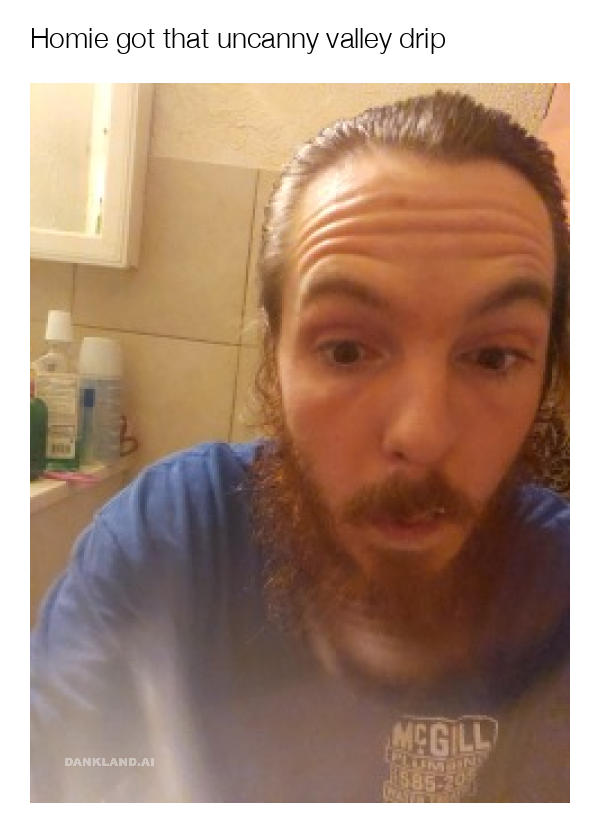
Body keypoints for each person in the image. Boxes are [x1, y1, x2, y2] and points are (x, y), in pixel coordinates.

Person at [30, 90, 570, 803]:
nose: (422, 435)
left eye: (494, 357)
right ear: (274, 354)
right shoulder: (170, 542)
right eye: (346, 350)